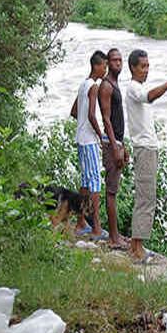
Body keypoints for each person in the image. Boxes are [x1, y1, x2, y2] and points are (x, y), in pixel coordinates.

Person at [125, 49, 167, 261]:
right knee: (145, 198)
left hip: (149, 148)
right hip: (144, 149)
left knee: (147, 196)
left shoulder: (138, 86)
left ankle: (136, 245)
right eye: (143, 66)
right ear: (133, 67)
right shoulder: (133, 88)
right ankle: (137, 248)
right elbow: (149, 97)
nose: (146, 70)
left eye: (148, 66)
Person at [70, 50, 107, 240]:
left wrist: (83, 123)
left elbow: (74, 111)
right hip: (90, 140)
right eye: (104, 66)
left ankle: (80, 222)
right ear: (96, 66)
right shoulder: (94, 87)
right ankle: (97, 228)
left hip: (80, 137)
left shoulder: (83, 84)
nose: (105, 69)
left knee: (85, 181)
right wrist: (100, 136)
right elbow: (92, 115)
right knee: (95, 182)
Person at [98, 48, 131, 249]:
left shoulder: (115, 84)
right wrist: (115, 147)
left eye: (120, 60)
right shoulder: (107, 86)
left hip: (116, 142)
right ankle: (113, 238)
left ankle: (116, 234)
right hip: (111, 144)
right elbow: (106, 119)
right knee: (111, 191)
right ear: (108, 63)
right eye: (114, 60)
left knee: (114, 190)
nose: (118, 63)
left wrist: (123, 145)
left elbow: (119, 120)